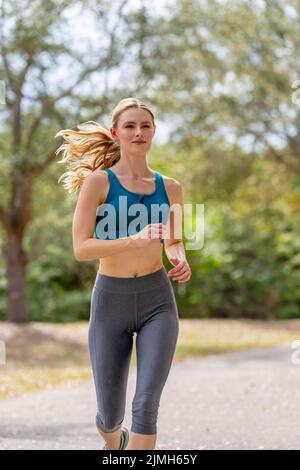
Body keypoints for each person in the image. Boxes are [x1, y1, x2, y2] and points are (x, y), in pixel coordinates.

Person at [55, 97, 191, 450]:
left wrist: (179, 257)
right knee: (109, 417)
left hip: (157, 301)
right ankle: (114, 443)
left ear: (154, 132)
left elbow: (173, 240)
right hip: (110, 302)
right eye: (130, 126)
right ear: (116, 133)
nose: (138, 132)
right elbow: (81, 247)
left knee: (146, 405)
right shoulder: (98, 184)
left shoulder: (171, 187)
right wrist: (132, 240)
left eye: (145, 126)